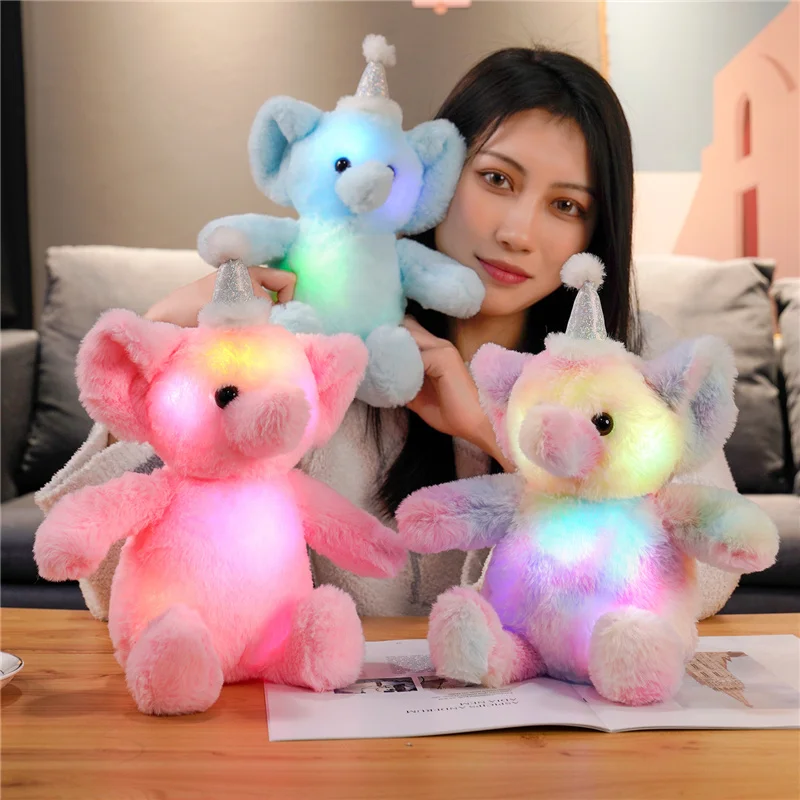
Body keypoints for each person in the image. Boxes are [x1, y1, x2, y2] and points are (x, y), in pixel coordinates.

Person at [36, 47, 740, 622]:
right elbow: (116, 583)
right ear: (434, 175)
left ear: (596, 229)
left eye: (566, 205)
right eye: (497, 179)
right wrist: (166, 351)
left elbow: (710, 578)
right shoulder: (307, 355)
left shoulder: (635, 355)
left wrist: (499, 433)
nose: (518, 231)